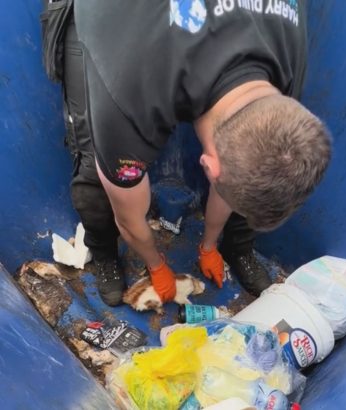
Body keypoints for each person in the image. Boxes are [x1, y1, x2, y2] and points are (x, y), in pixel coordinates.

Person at [43, 0, 331, 306]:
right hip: (113, 18)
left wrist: (209, 244)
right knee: (95, 177)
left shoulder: (286, 56)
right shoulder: (127, 97)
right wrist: (156, 265)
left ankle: (236, 247)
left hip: (174, 36)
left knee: (260, 172)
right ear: (207, 165)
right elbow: (129, 217)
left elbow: (247, 167)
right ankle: (102, 250)